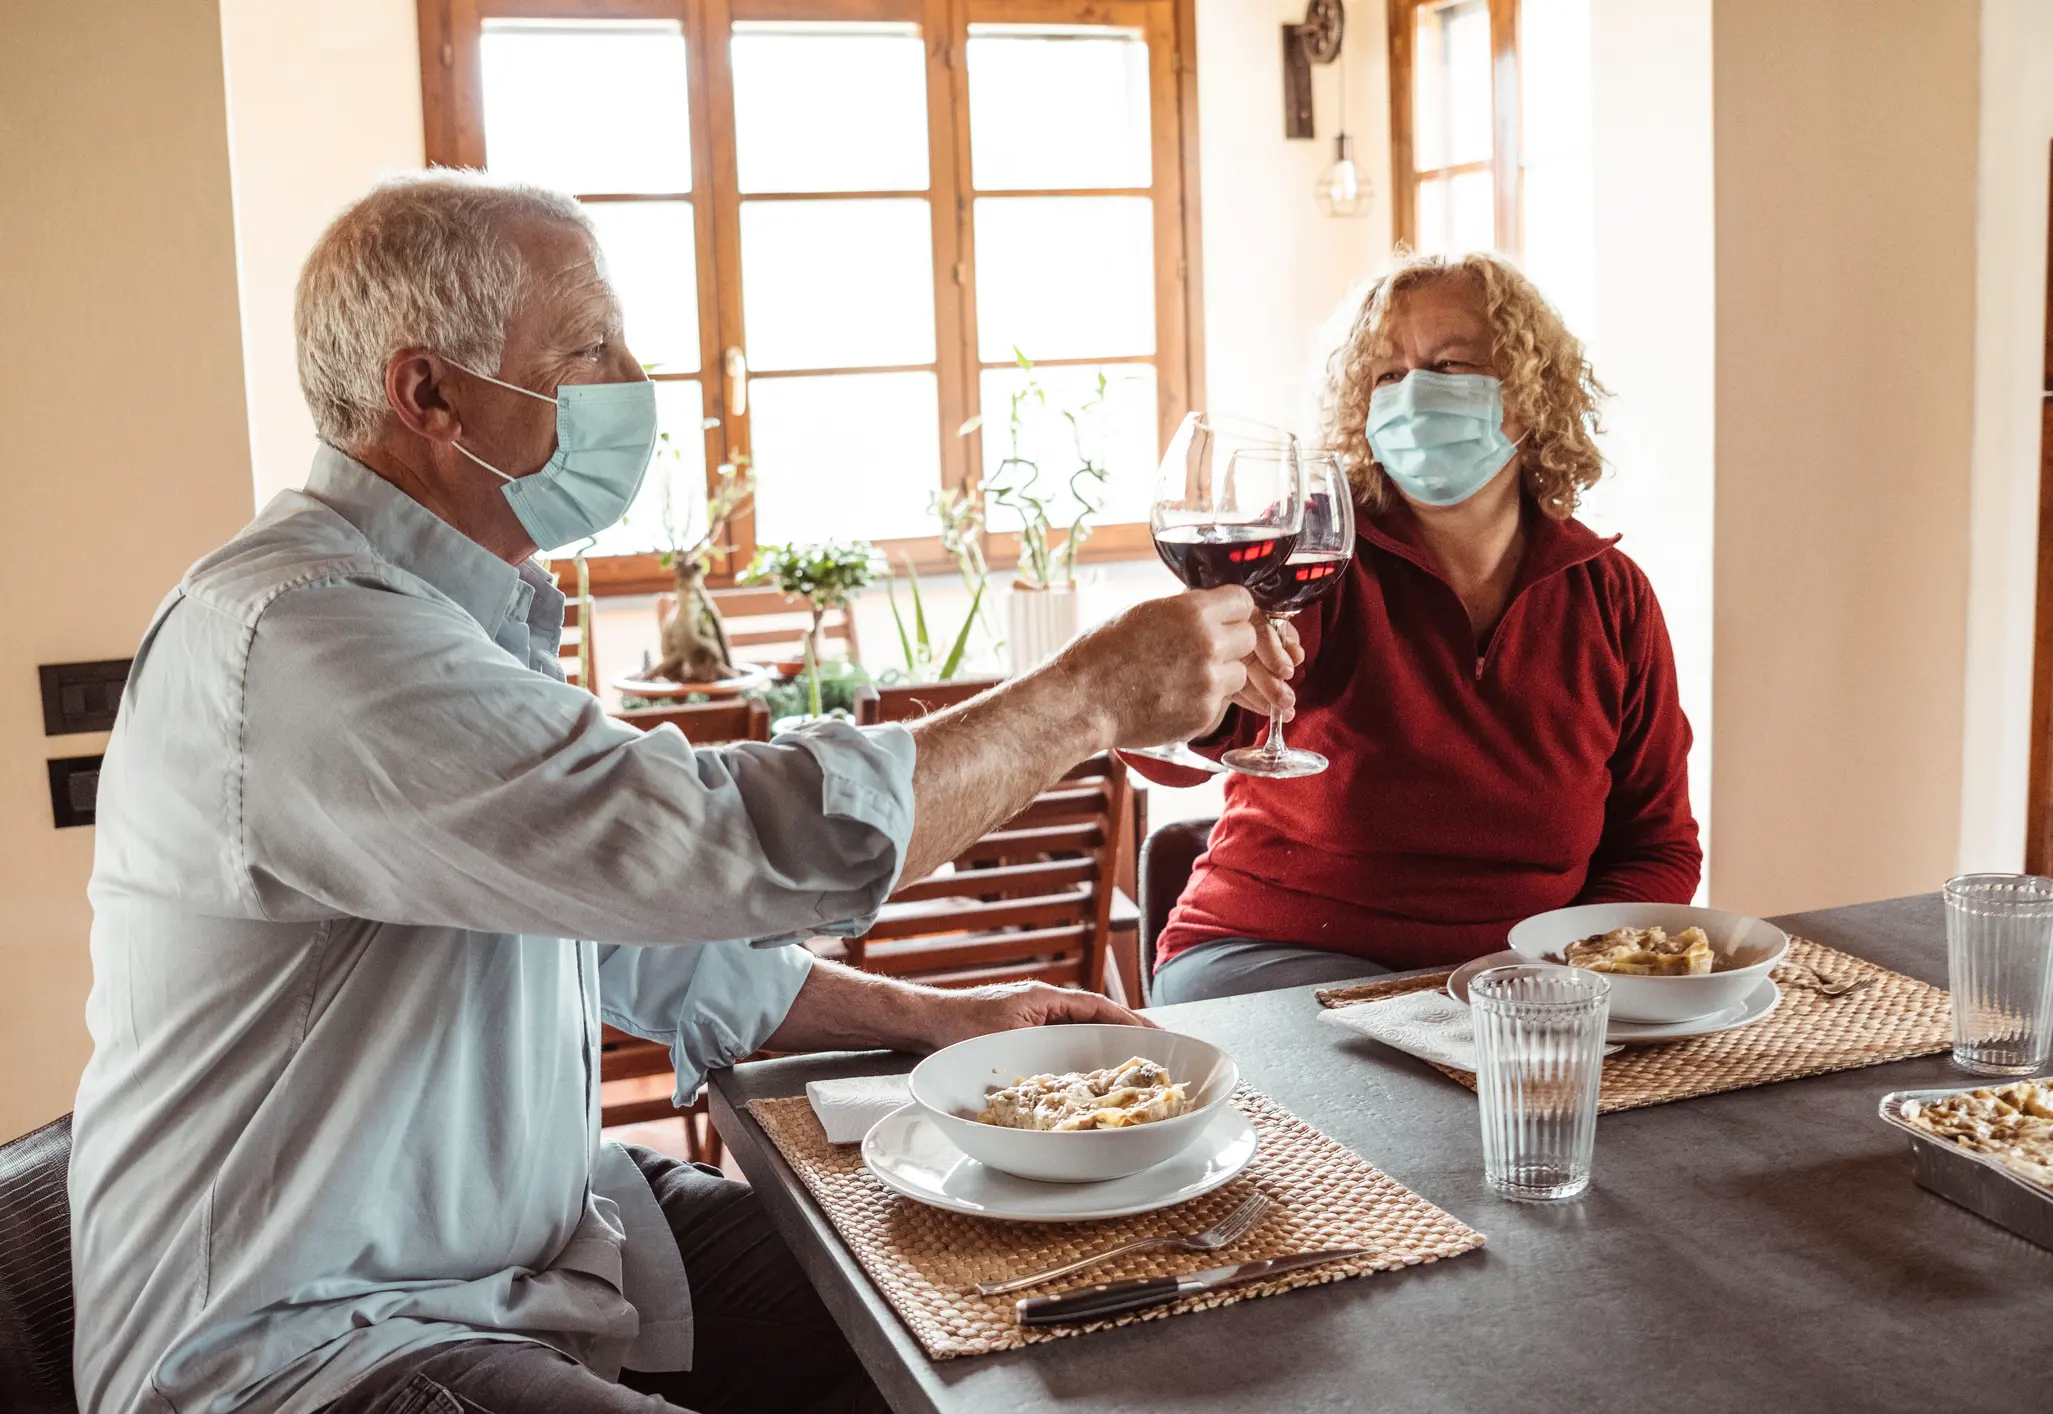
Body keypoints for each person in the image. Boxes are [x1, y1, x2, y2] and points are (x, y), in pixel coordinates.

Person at [68, 172, 1296, 1414]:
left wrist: (933, 1017)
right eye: (589, 345)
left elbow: (616, 929)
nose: (636, 381)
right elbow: (712, 849)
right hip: (315, 1340)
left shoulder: (447, 618)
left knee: (965, 1315)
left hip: (523, 1255)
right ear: (428, 392)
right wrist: (1088, 696)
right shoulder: (312, 644)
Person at [1142, 250, 1702, 1005]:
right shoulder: (1311, 559)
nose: (1411, 396)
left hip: (1513, 985)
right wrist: (1178, 682)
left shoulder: (1609, 597)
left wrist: (1574, 966)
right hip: (1270, 954)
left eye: (1449, 365)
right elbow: (1177, 758)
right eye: (1386, 375)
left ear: (1528, 397)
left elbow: (1657, 845)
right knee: (1412, 1097)